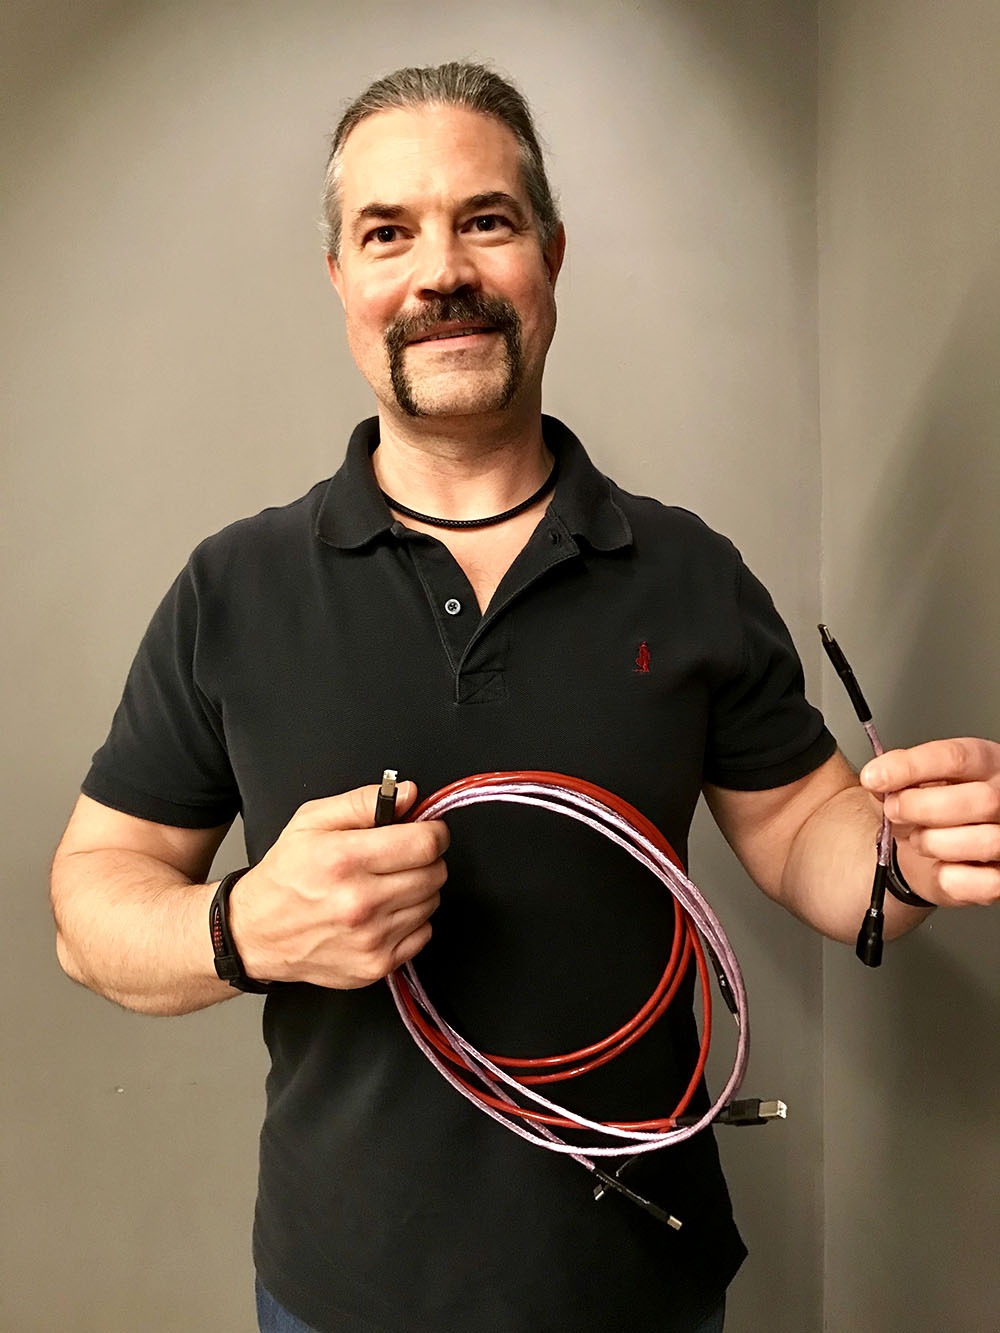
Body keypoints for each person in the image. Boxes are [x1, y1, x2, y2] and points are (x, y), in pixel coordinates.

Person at [50, 62, 999, 1333]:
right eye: (388, 232)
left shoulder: (685, 570)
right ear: (339, 276)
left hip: (638, 1286)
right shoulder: (235, 588)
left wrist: (904, 855)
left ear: (550, 253)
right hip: (342, 1296)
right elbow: (91, 904)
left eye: (485, 220)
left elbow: (797, 827)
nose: (441, 271)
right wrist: (243, 929)